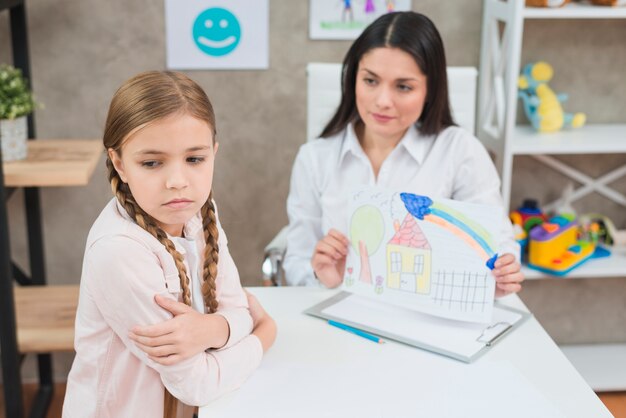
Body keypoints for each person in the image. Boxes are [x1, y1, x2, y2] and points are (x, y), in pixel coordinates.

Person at [63, 71, 276, 418]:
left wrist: (213, 328)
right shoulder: (119, 251)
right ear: (120, 164)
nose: (178, 182)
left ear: (213, 153)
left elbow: (236, 307)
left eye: (195, 159)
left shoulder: (201, 213)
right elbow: (194, 382)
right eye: (152, 162)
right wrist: (264, 334)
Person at [284, 12, 524, 297]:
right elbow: (296, 261)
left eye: (403, 86)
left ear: (430, 90)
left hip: (430, 322)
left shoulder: (461, 151)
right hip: (340, 316)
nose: (383, 101)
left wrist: (501, 274)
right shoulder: (314, 158)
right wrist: (321, 274)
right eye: (370, 81)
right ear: (353, 79)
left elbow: (498, 244)